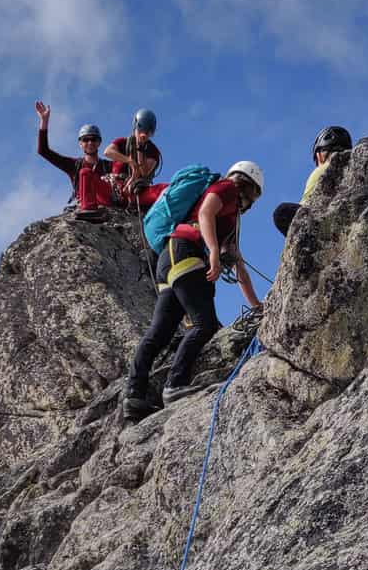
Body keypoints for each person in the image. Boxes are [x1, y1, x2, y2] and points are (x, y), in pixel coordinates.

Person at [123, 161, 265, 419]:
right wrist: (212, 250)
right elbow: (205, 213)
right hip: (185, 252)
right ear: (250, 188)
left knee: (160, 332)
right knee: (205, 325)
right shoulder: (227, 189)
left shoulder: (230, 221)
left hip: (168, 260)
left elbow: (239, 266)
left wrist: (257, 306)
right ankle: (175, 384)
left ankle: (134, 396)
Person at [35, 101, 114, 218]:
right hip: (84, 205)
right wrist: (44, 121)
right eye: (85, 139)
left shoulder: (109, 166)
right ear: (80, 144)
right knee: (84, 173)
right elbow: (43, 151)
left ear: (99, 142)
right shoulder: (74, 166)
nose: (90, 142)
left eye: (93, 139)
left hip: (105, 203)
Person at [272, 125, 353, 236]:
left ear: (319, 156)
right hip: (346, 215)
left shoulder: (319, 171)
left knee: (281, 212)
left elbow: (307, 205)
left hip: (321, 222)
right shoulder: (353, 165)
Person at [105, 109, 162, 203]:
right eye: (141, 129)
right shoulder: (123, 142)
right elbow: (108, 152)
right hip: (116, 186)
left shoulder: (153, 152)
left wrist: (140, 148)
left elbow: (144, 173)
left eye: (147, 132)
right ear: (135, 127)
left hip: (137, 189)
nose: (143, 134)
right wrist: (129, 161)